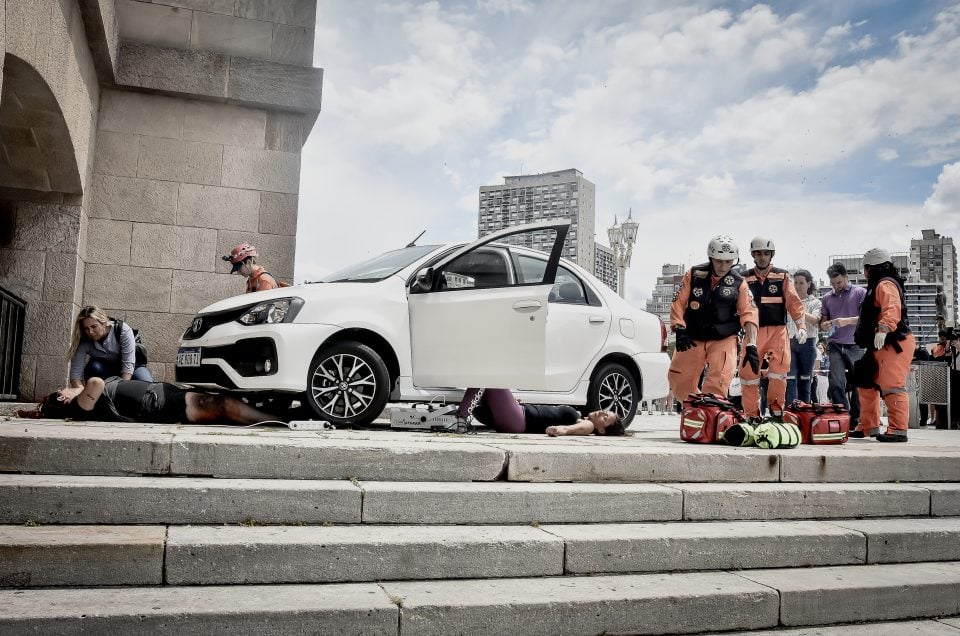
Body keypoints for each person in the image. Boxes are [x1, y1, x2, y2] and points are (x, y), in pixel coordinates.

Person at [668, 235, 759, 403]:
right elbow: (678, 302)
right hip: (692, 336)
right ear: (710, 258)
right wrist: (679, 328)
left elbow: (750, 313)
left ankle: (710, 415)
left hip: (723, 338)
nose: (723, 266)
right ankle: (694, 410)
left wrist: (752, 344)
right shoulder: (693, 274)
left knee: (719, 381)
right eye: (719, 261)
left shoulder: (740, 283)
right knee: (679, 380)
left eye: (728, 261)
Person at [850, 248, 917, 442]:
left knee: (891, 385)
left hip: (894, 343)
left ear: (869, 267)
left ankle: (898, 429)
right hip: (879, 344)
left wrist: (883, 329)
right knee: (864, 380)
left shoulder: (884, 284)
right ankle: (868, 426)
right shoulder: (879, 284)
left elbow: (892, 308)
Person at [739, 237, 807, 420]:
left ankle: (776, 410)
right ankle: (751, 415)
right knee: (748, 373)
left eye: (766, 254)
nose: (762, 257)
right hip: (753, 331)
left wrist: (801, 326)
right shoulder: (744, 278)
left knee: (779, 371)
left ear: (771, 255)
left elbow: (794, 303)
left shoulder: (782, 276)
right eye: (759, 254)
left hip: (778, 331)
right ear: (753, 255)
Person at [35, 376, 277, 425]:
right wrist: (77, 391)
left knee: (225, 399)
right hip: (158, 404)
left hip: (162, 393)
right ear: (61, 396)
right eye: (62, 389)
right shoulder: (80, 408)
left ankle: (272, 414)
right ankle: (275, 420)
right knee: (222, 406)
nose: (66, 386)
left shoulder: (84, 403)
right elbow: (96, 382)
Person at [457, 388, 625, 436]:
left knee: (489, 375)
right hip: (517, 415)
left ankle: (460, 419)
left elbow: (580, 429)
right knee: (484, 383)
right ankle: (457, 418)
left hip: (518, 420)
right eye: (605, 412)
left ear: (601, 430)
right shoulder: (579, 417)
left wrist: (562, 430)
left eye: (605, 418)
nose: (601, 413)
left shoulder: (587, 425)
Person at [819, 261, 867, 424]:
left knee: (858, 383)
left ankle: (857, 417)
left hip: (856, 344)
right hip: (834, 344)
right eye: (833, 283)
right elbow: (824, 321)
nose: (836, 286)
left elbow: (867, 319)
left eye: (839, 282)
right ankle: (842, 415)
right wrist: (824, 325)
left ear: (847, 277)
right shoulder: (826, 297)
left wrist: (847, 321)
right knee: (836, 381)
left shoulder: (860, 293)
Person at [68, 306, 153, 389]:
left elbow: (128, 369)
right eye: (86, 328)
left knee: (148, 386)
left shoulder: (122, 330)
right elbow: (75, 376)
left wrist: (119, 392)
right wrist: (83, 395)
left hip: (132, 368)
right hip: (105, 369)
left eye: (94, 326)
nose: (90, 332)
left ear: (104, 323)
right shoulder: (85, 340)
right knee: (94, 367)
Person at [785, 269, 822, 405]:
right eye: (795, 283)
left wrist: (798, 311)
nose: (798, 286)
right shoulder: (788, 301)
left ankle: (804, 411)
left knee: (805, 379)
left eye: (801, 283)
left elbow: (816, 320)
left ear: (809, 284)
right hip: (789, 342)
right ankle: (790, 411)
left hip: (808, 343)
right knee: (790, 379)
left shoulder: (815, 302)